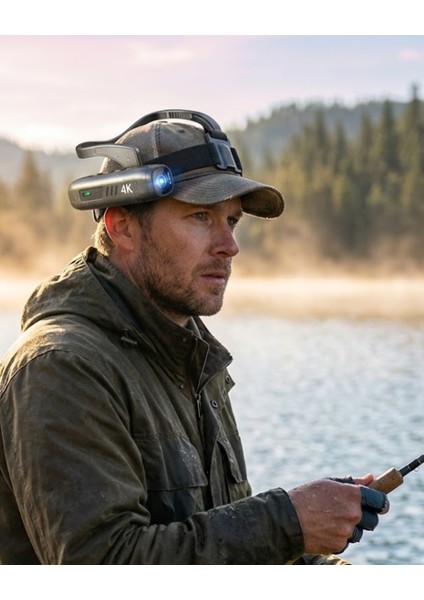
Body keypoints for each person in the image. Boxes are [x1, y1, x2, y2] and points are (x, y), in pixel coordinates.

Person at [0, 109, 388, 565]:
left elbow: (219, 547)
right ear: (122, 226)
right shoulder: (61, 367)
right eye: (200, 216)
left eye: (232, 221)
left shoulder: (193, 359)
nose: (229, 246)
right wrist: (287, 522)